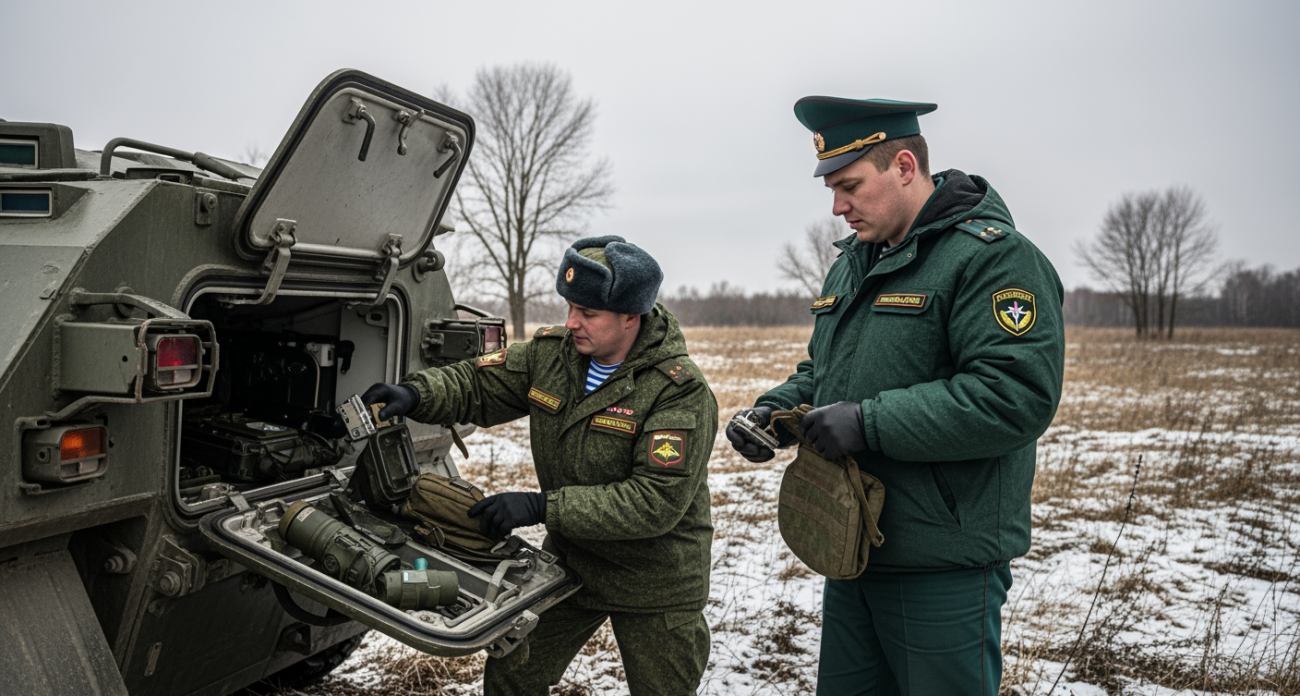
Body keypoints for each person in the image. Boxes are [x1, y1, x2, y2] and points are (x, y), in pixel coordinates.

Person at [726, 97, 1065, 695]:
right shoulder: (856, 261)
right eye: (832, 188)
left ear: (905, 167)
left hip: (940, 559)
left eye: (851, 185)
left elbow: (1013, 396)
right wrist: (776, 412)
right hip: (852, 542)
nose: (838, 206)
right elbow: (825, 369)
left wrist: (868, 423)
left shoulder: (992, 259)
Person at [363, 236, 717, 696]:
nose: (572, 322)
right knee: (514, 673)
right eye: (570, 307)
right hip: (573, 564)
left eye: (588, 313)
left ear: (632, 316)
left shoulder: (679, 391)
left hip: (655, 580)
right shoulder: (554, 355)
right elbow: (477, 382)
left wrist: (540, 506)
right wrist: (416, 394)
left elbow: (654, 502)